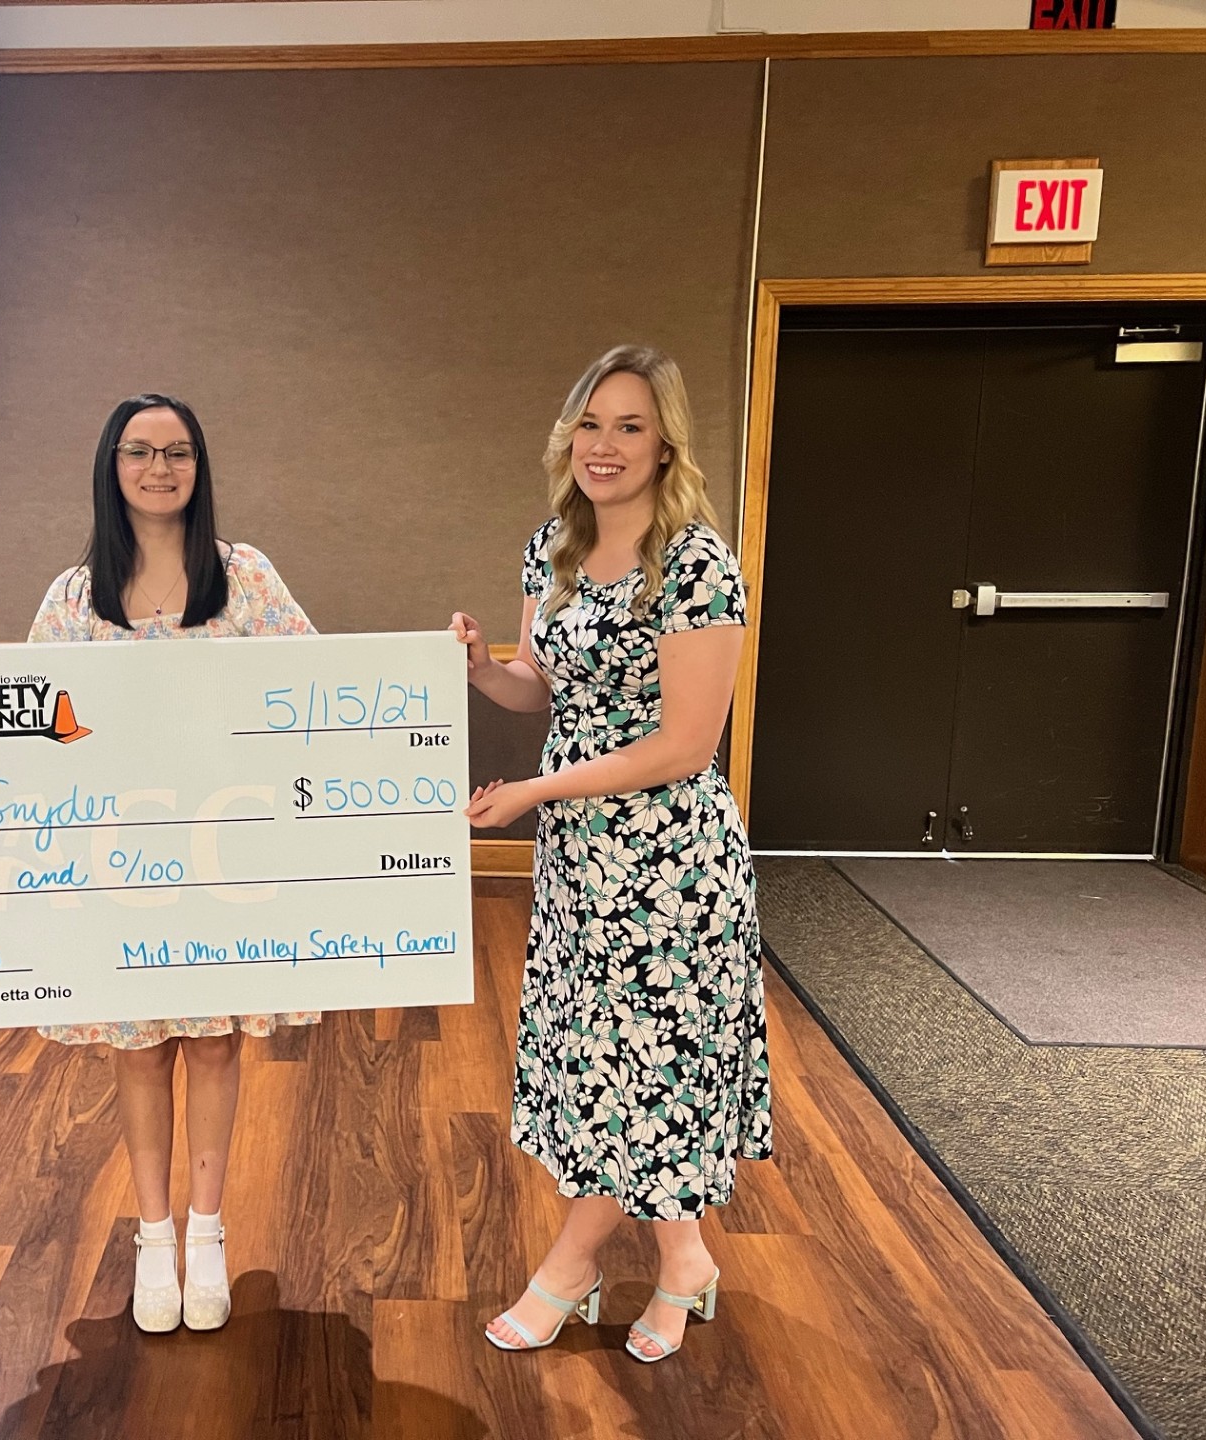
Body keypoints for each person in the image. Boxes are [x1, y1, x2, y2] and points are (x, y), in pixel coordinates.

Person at [451, 343, 771, 1364]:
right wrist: (480, 667)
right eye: (590, 424)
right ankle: (685, 1260)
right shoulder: (553, 547)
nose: (605, 445)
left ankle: (568, 1268)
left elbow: (685, 745)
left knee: (650, 1061)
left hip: (669, 864)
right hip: (580, 860)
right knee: (600, 1055)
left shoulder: (696, 564)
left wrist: (535, 792)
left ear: (666, 443)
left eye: (630, 426)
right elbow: (541, 689)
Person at [27, 392, 316, 1334]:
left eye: (178, 452)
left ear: (200, 466)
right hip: (122, 864)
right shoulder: (73, 598)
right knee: (140, 1046)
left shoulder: (247, 576)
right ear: (111, 466)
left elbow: (316, 682)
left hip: (226, 857)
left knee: (216, 1041)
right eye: (140, 451)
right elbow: (36, 729)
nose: (160, 468)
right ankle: (154, 1235)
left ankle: (207, 1229)